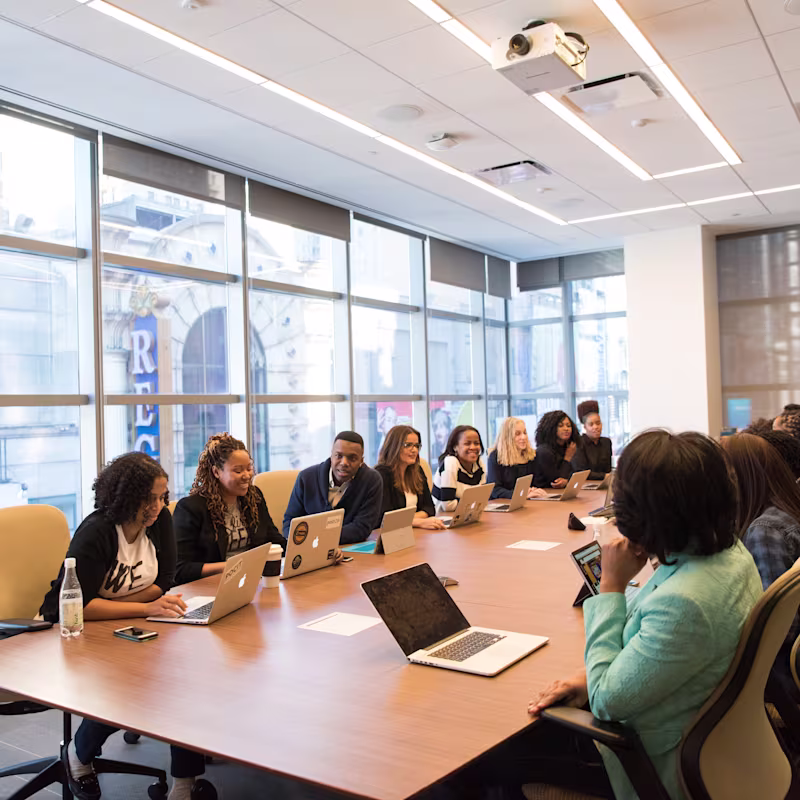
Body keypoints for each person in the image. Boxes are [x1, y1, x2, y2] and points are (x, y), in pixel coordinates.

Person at [516, 431, 761, 800]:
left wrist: (611, 586)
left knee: (505, 762)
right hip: (719, 745)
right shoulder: (726, 554)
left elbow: (605, 701)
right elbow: (657, 635)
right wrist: (590, 675)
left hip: (658, 763)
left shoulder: (685, 602)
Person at [38, 453, 212, 800]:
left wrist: (134, 608)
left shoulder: (159, 521)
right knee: (128, 685)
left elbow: (165, 579)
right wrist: (143, 607)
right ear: (127, 497)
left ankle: (184, 784)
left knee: (188, 677)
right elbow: (76, 607)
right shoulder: (98, 531)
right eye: (150, 498)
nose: (159, 506)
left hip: (130, 620)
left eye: (163, 496)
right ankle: (78, 754)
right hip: (77, 633)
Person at [721, 433, 800, 683]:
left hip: (778, 672)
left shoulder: (766, 531)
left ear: (739, 479)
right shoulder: (784, 509)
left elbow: (780, 628)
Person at [173, 432, 286, 585]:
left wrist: (299, 553)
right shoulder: (190, 508)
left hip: (251, 581)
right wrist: (233, 567)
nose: (247, 475)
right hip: (213, 586)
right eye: (238, 471)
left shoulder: (254, 497)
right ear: (216, 472)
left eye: (249, 468)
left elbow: (274, 540)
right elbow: (180, 569)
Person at [282, 431, 382, 545]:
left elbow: (362, 527)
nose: (344, 463)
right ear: (331, 455)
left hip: (349, 548)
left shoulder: (372, 480)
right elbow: (289, 523)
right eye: (339, 456)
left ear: (361, 461)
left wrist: (321, 537)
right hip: (309, 547)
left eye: (352, 458)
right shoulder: (306, 478)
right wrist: (312, 540)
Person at [375, 425, 447, 530]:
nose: (414, 450)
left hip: (415, 532)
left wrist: (411, 521)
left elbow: (430, 508)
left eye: (416, 446)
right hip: (391, 536)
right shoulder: (381, 475)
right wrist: (417, 522)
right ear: (394, 446)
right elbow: (384, 519)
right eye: (408, 445)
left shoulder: (417, 471)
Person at [486, 417, 547, 500]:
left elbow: (536, 482)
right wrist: (521, 494)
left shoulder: (531, 455)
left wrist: (533, 490)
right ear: (507, 437)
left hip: (525, 502)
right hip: (502, 504)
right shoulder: (496, 457)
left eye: (525, 433)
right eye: (518, 434)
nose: (523, 437)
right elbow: (495, 490)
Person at [432, 425, 486, 514]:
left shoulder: (479, 463)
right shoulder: (450, 462)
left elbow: (482, 498)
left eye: (476, 443)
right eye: (467, 443)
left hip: (467, 515)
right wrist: (473, 503)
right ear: (455, 447)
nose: (473, 447)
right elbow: (447, 505)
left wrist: (473, 503)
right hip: (442, 518)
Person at [531, 410, 580, 489]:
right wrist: (567, 458)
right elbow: (556, 482)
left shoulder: (569, 447)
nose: (566, 429)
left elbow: (575, 473)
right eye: (560, 426)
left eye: (568, 426)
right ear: (551, 428)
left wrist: (568, 481)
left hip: (560, 492)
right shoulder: (544, 451)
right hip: (545, 493)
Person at [570, 400, 612, 480]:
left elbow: (608, 469)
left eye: (598, 423)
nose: (595, 427)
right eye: (591, 424)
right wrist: (604, 476)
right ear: (585, 426)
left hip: (604, 483)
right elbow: (581, 473)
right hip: (584, 486)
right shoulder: (578, 443)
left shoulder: (606, 442)